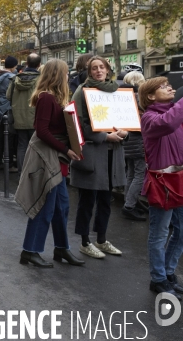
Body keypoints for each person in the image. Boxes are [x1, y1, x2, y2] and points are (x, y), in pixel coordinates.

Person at [15, 59, 85, 268]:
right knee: (45, 205)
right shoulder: (47, 98)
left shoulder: (57, 98)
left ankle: (62, 248)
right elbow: (42, 131)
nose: (68, 76)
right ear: (57, 75)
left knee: (61, 207)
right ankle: (30, 250)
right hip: (47, 156)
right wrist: (67, 149)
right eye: (65, 73)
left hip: (57, 156)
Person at [70, 56, 127, 259]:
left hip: (112, 153)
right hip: (94, 153)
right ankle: (85, 242)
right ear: (89, 71)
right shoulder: (82, 92)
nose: (98, 71)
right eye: (94, 68)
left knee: (105, 198)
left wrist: (124, 132)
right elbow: (77, 124)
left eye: (102, 67)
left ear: (108, 69)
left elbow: (123, 117)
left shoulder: (116, 90)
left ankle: (101, 239)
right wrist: (104, 136)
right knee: (88, 199)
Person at [138, 78, 183, 300]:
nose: (170, 88)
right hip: (163, 184)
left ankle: (167, 272)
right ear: (150, 97)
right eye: (163, 86)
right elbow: (168, 123)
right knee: (159, 234)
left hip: (179, 180)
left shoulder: (176, 112)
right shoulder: (149, 118)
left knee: (181, 231)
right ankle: (158, 279)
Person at [119, 71, 147, 221]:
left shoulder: (124, 99)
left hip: (127, 141)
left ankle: (129, 201)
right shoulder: (139, 99)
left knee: (130, 173)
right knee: (139, 174)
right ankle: (129, 205)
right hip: (138, 141)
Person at [7, 53, 42, 173]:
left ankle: (22, 172)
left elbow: (8, 96)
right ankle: (33, 171)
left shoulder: (15, 78)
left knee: (22, 146)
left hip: (19, 117)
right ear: (39, 65)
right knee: (36, 146)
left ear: (26, 64)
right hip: (35, 117)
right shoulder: (41, 80)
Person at [0, 57, 18, 172]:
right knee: (9, 137)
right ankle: (9, 163)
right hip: (7, 107)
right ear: (13, 66)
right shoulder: (11, 77)